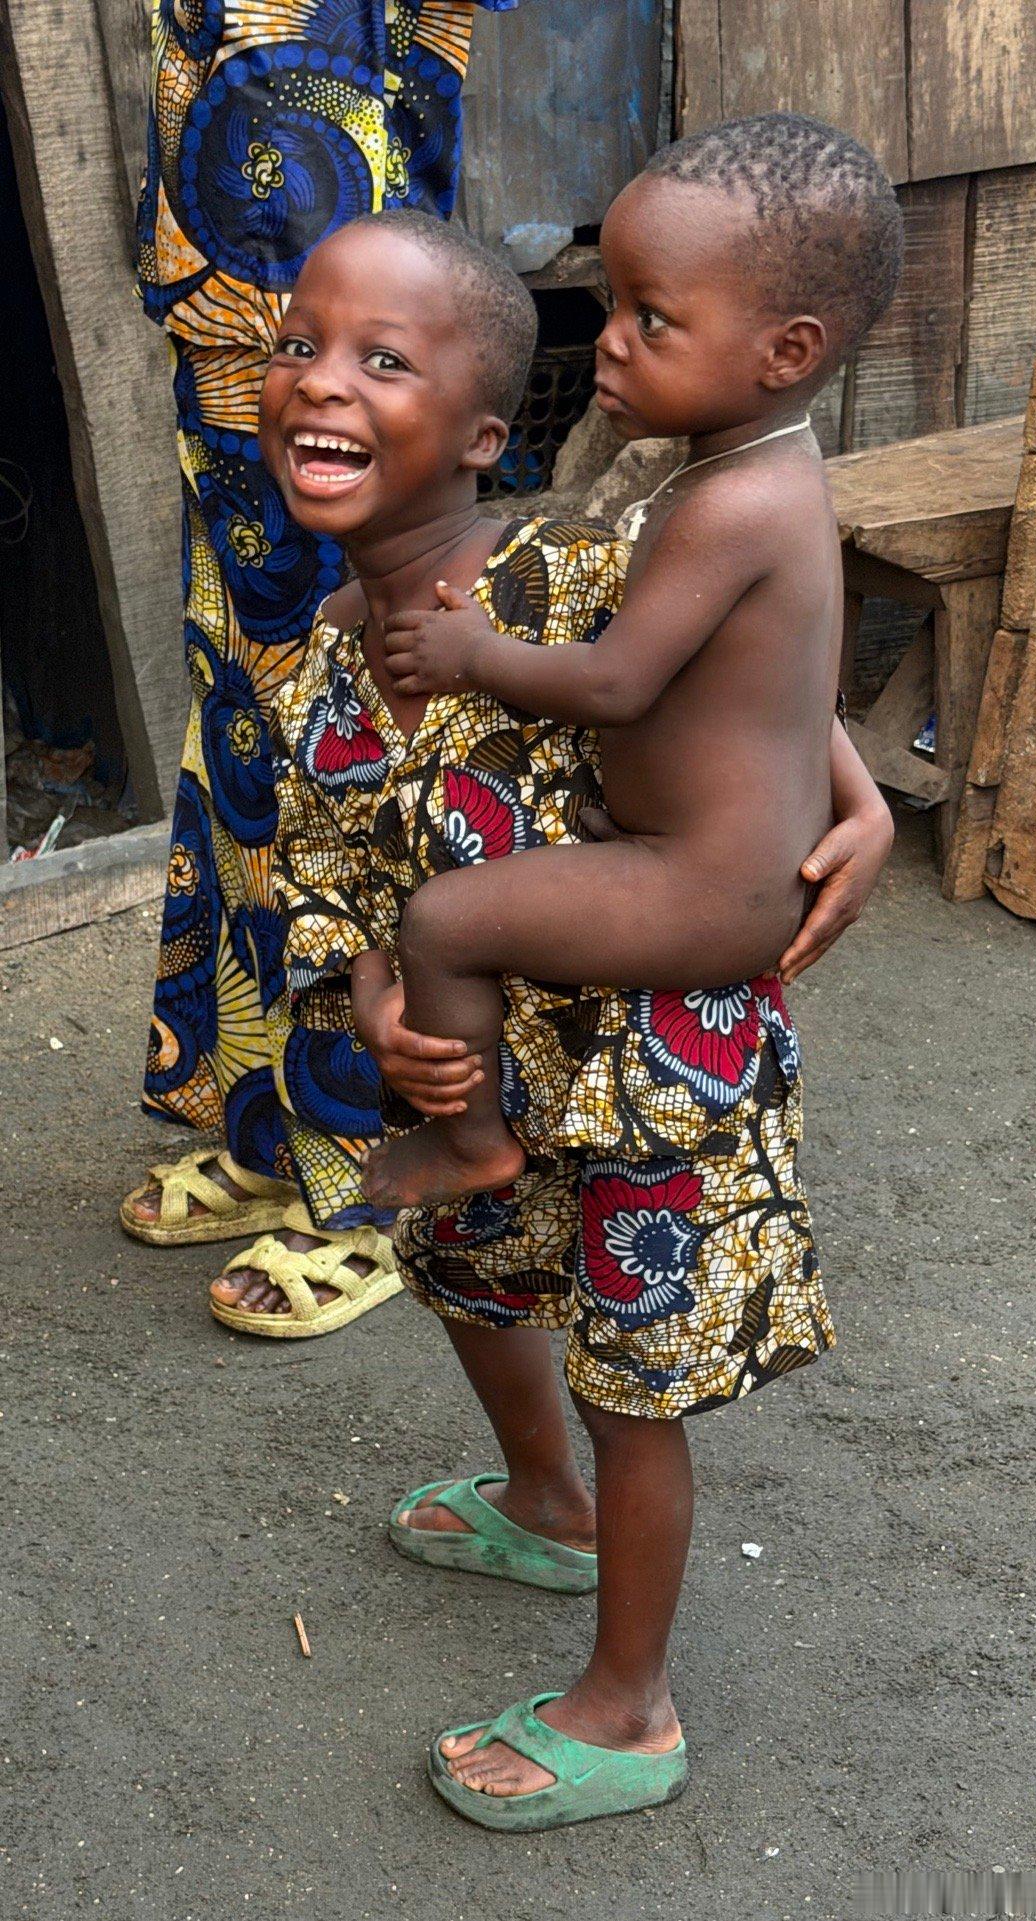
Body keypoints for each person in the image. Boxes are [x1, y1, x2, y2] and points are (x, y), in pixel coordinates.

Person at [261, 141, 896, 1829]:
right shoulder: (322, 661)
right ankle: (543, 1506)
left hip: (655, 1068)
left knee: (640, 1377)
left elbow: (730, 666)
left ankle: (629, 1705)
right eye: (298, 348)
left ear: (485, 435)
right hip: (484, 1075)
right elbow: (329, 873)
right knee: (471, 1276)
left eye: (383, 363)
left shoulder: (544, 576)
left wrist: (854, 788)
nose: (321, 383)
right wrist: (370, 998)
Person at [359, 114, 901, 1211]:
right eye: (615, 303)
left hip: (703, 888)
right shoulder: (759, 469)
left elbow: (616, 684)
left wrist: (474, 649)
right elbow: (794, 690)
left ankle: (474, 1145)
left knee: (443, 923)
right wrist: (866, 802)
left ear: (785, 352)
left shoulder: (731, 504)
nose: (609, 338)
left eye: (652, 318)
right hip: (710, 860)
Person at [120, 0, 519, 1337]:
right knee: (241, 728)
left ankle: (368, 1164)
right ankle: (265, 1113)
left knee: (345, 768)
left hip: (331, 239)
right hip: (236, 328)